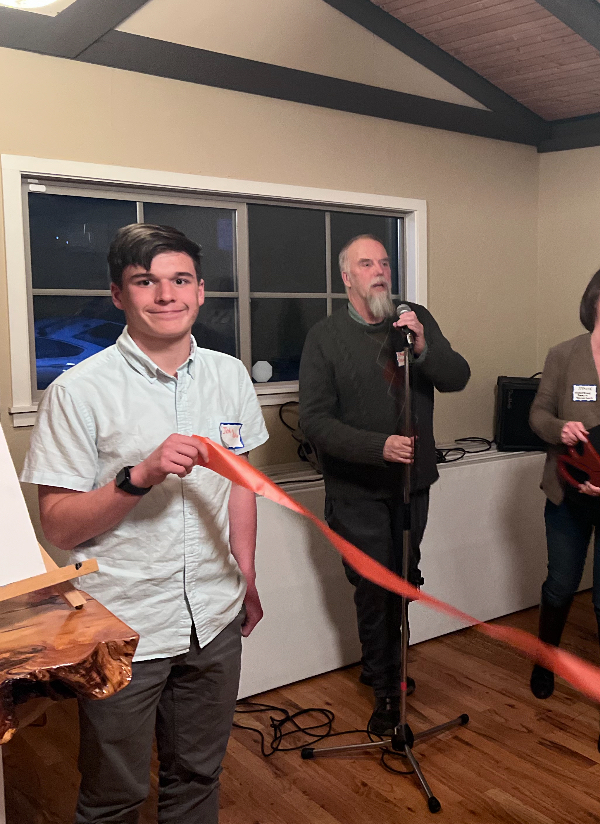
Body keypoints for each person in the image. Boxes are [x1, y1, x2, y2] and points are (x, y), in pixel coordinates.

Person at [20, 224, 268, 824]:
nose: (165, 295)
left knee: (198, 777)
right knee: (115, 795)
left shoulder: (229, 375)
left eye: (179, 280)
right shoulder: (78, 391)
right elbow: (59, 527)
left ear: (201, 291)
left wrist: (247, 576)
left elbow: (239, 488)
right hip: (124, 627)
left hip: (213, 615)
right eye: (145, 282)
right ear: (118, 295)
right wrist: (139, 475)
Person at [299, 234, 470, 734]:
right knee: (374, 587)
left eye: (385, 262)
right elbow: (315, 422)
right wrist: (379, 446)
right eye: (366, 263)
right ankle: (385, 690)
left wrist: (423, 346)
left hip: (413, 485)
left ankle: (389, 667)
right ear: (346, 277)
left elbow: (457, 376)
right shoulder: (325, 338)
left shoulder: (413, 319)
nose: (379, 271)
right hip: (356, 490)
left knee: (404, 579)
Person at [529, 268, 600, 710]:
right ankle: (544, 661)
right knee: (560, 585)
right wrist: (561, 427)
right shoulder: (564, 354)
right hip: (567, 494)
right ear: (595, 301)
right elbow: (537, 415)